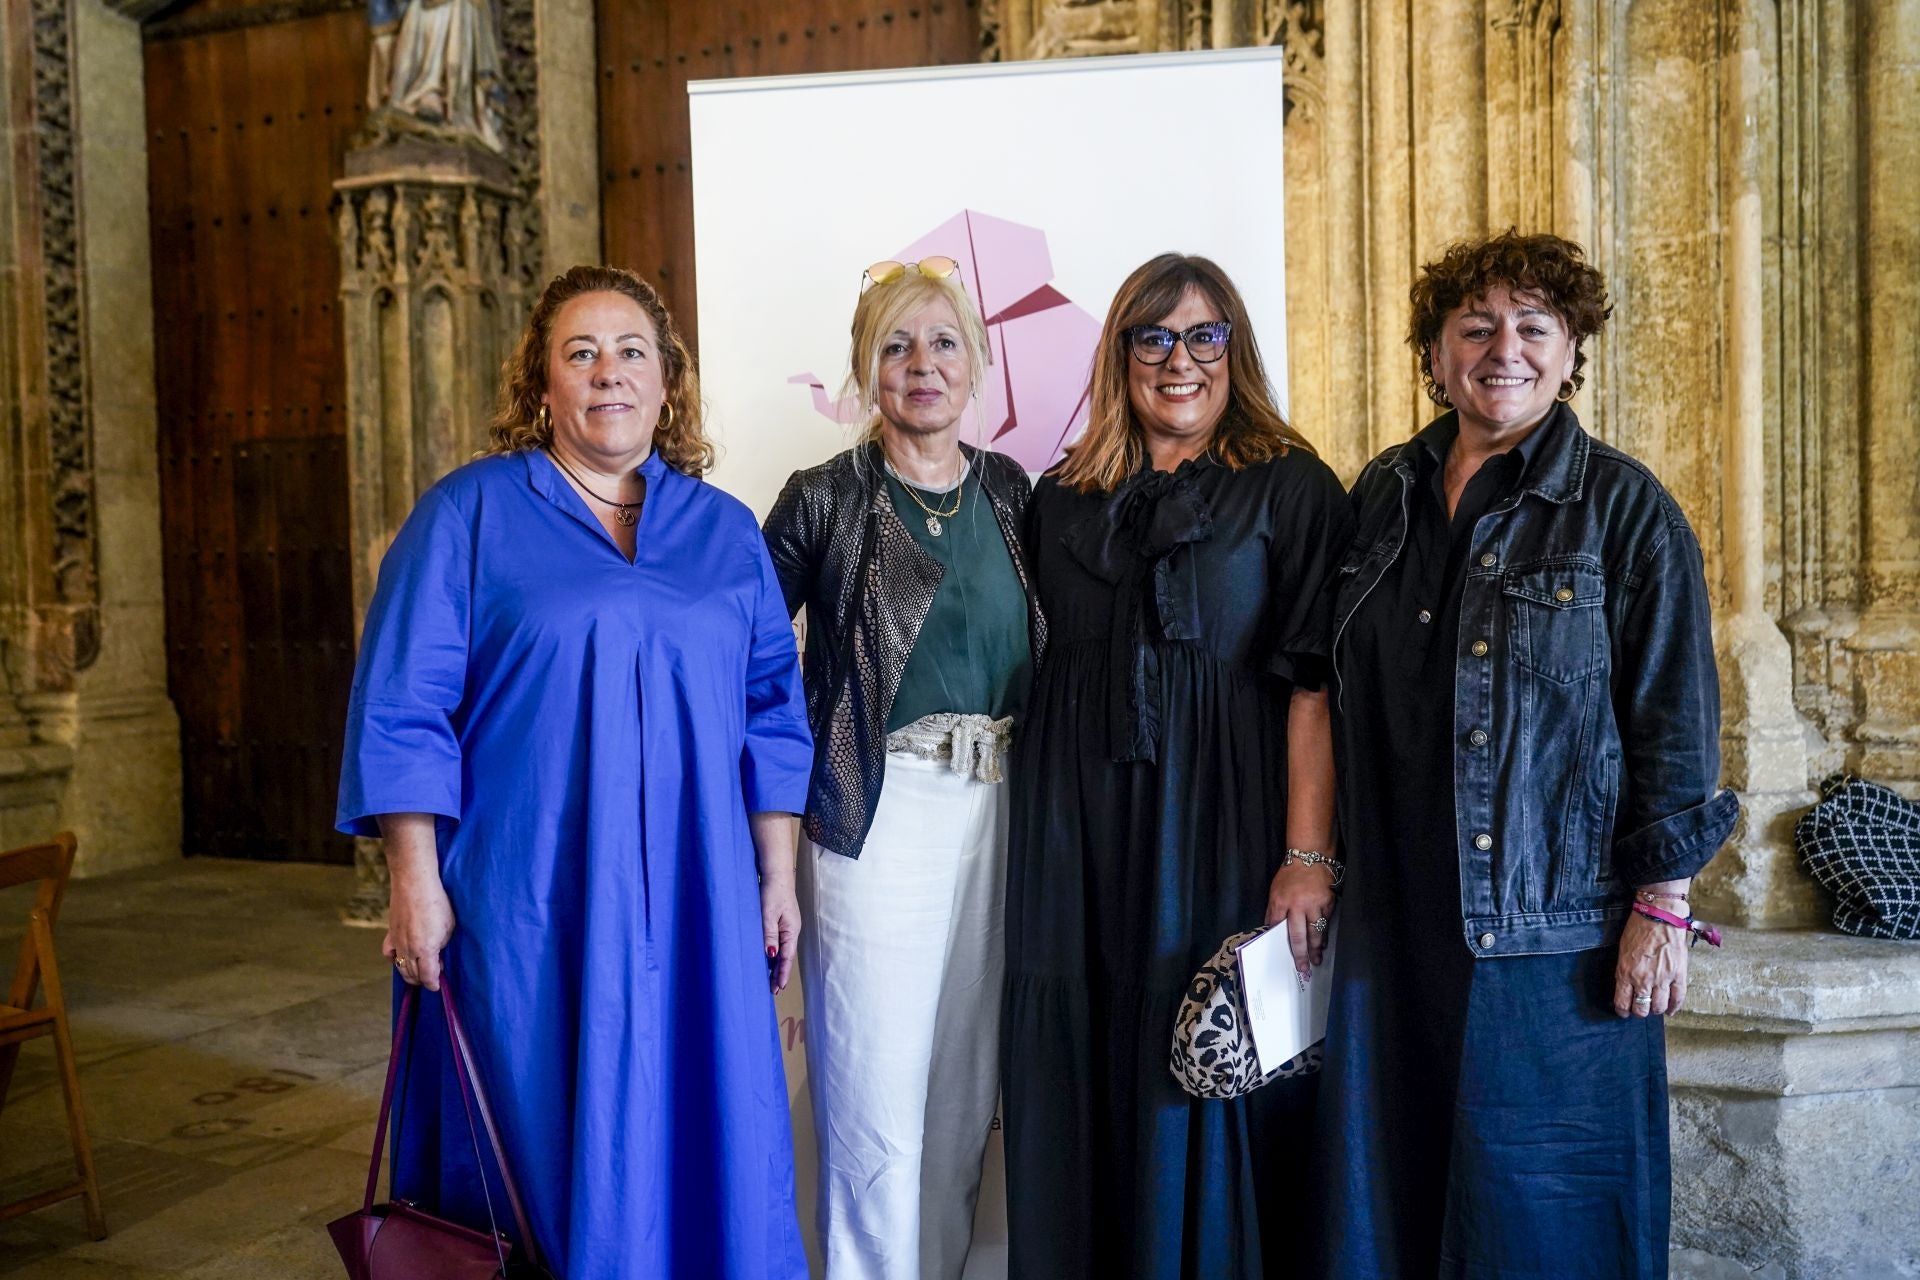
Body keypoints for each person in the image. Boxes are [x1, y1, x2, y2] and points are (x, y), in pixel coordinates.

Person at [336, 264, 813, 1279]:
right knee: (540, 1130)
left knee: (701, 1108)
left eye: (631, 351)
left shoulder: (723, 530)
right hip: (526, 900)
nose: (609, 373)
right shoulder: (466, 515)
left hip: (696, 896)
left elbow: (772, 708)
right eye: (581, 353)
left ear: (667, 383)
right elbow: (404, 703)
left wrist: (775, 875)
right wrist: (412, 880)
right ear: (542, 384)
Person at [1313, 230, 1738, 1279]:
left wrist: (1664, 905)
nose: (1505, 347)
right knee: (1395, 1207)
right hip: (1394, 922)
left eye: (1534, 326)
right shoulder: (1383, 490)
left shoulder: (1625, 508)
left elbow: (1674, 719)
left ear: (1570, 350)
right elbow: (1327, 683)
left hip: (1554, 934)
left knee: (1545, 1221)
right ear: (1436, 353)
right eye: (1476, 326)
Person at [1001, 253, 1352, 1279]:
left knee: (1202, 1051)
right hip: (1074, 832)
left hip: (1224, 819)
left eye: (1205, 336)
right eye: (1153, 337)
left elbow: (1315, 684)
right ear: (1120, 355)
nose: (1179, 360)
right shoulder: (1059, 499)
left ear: (1233, 351)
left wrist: (1305, 854)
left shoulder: (1290, 487)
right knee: (1083, 1053)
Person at [762, 257, 1045, 1280]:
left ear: (976, 366)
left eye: (942, 343)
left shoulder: (1013, 492)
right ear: (864, 370)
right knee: (875, 1090)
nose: (921, 364)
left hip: (1002, 811)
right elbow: (744, 656)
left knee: (964, 1094)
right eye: (896, 345)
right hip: (875, 813)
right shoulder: (826, 499)